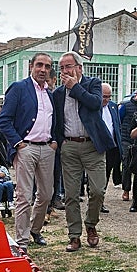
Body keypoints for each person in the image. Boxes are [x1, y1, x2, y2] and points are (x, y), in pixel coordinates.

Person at [0, 52, 57, 251]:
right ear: (31, 66)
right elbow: (3, 120)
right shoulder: (19, 88)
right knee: (24, 196)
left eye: (47, 66)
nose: (43, 70)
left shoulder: (50, 93)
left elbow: (54, 121)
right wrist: (17, 143)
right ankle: (21, 242)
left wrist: (54, 141)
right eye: (39, 65)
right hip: (26, 148)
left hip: (47, 148)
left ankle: (35, 229)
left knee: (47, 194)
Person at [52, 52, 109, 251]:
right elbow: (56, 120)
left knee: (97, 190)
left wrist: (74, 87)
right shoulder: (58, 93)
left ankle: (91, 224)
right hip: (69, 146)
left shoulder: (93, 83)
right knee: (71, 194)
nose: (65, 71)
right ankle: (74, 235)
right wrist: (58, 142)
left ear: (79, 68)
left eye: (68, 66)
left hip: (92, 145)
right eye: (61, 68)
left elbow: (94, 104)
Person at [101, 83, 123, 193]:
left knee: (107, 172)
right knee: (97, 174)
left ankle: (101, 199)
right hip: (98, 146)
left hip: (112, 146)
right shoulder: (94, 107)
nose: (107, 99)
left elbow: (117, 126)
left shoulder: (113, 106)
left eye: (109, 96)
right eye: (104, 96)